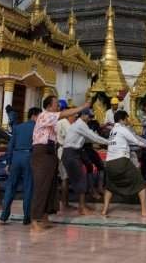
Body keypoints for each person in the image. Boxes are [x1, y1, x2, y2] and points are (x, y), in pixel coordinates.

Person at [30, 97, 90, 232]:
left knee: (50, 186)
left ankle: (45, 217)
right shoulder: (45, 115)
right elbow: (64, 114)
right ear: (49, 106)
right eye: (56, 104)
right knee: (41, 187)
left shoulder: (53, 121)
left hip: (51, 152)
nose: (59, 107)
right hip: (42, 152)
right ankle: (34, 220)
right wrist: (82, 107)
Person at [102, 110, 146, 217]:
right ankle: (144, 211)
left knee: (110, 186)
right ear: (122, 119)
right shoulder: (122, 129)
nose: (128, 121)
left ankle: (104, 210)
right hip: (121, 161)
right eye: (127, 119)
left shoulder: (112, 131)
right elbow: (136, 141)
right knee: (141, 184)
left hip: (109, 163)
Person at [61, 109, 109, 215]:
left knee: (79, 178)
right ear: (83, 115)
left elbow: (89, 138)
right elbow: (93, 137)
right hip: (71, 153)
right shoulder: (80, 125)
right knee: (81, 178)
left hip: (74, 153)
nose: (90, 118)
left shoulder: (81, 124)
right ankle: (81, 208)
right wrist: (109, 142)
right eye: (89, 116)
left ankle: (79, 205)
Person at [0, 107, 41, 224]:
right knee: (28, 188)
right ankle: (26, 217)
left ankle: (4, 216)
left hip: (16, 157)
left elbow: (10, 146)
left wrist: (8, 162)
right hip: (29, 157)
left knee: (10, 187)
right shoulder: (37, 128)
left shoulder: (18, 128)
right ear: (34, 115)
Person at [56, 108, 76, 211]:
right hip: (63, 152)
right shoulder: (64, 123)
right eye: (74, 116)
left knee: (64, 178)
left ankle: (63, 202)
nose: (75, 118)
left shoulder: (61, 123)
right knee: (65, 178)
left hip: (61, 152)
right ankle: (64, 203)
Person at [82, 119, 106, 200]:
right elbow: (96, 139)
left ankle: (100, 187)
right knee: (90, 168)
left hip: (89, 149)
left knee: (101, 166)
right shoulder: (87, 131)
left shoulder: (90, 130)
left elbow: (96, 138)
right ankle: (92, 190)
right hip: (84, 150)